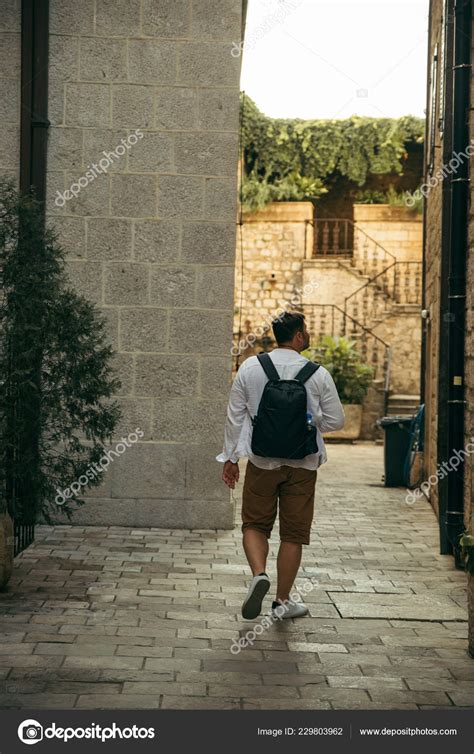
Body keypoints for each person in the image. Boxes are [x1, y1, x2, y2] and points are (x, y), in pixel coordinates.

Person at [217, 311, 345, 620]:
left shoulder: (250, 368)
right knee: (293, 533)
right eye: (307, 330)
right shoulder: (318, 374)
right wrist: (308, 419)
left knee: (254, 524)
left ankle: (259, 574)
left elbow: (235, 417)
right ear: (299, 336)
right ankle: (282, 602)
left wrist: (230, 458)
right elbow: (336, 421)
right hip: (303, 464)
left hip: (262, 461)